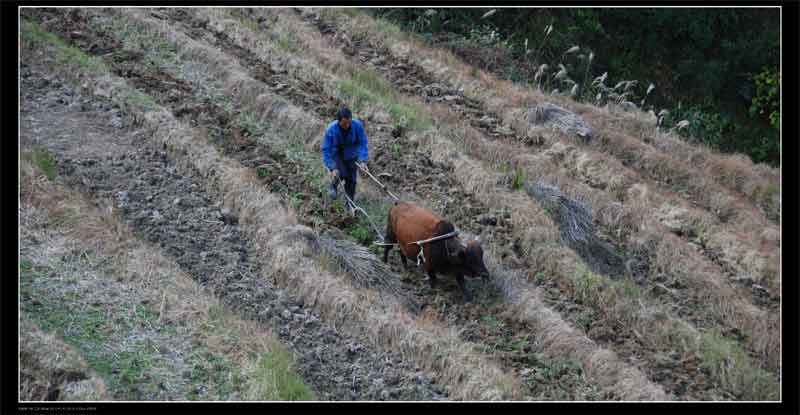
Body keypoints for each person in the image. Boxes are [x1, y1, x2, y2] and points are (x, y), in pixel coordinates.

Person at [320, 107, 369, 214]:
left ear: (351, 119)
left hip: (352, 154)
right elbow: (325, 149)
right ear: (338, 121)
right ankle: (333, 186)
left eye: (348, 123)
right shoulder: (331, 129)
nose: (346, 126)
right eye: (344, 124)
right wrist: (332, 167)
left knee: (352, 180)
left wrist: (362, 160)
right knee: (341, 173)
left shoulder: (357, 125)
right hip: (337, 153)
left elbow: (362, 143)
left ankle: (350, 203)